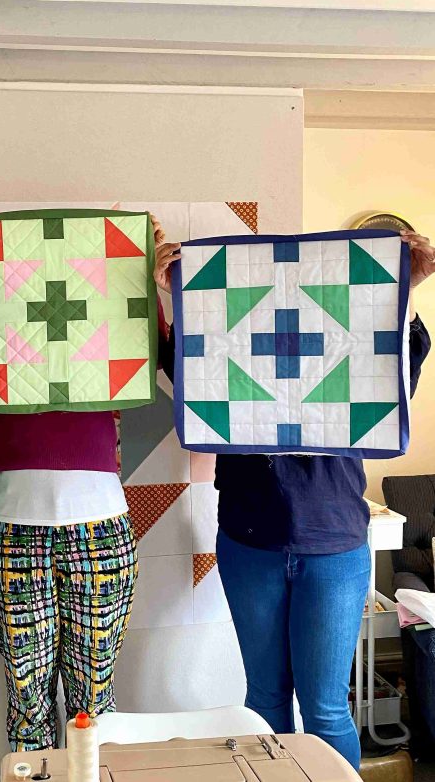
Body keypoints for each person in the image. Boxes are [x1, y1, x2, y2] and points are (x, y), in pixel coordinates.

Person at [154, 230, 433, 769]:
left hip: (334, 548)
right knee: (264, 702)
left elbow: (396, 371)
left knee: (327, 709)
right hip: (249, 541)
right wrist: (176, 294)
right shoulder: (229, 341)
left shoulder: (351, 340)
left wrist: (405, 288)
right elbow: (189, 370)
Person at [0, 213, 166, 752]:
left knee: (95, 708)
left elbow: (164, 358)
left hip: (100, 531)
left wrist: (142, 269)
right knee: (28, 704)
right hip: (12, 531)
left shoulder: (118, 302)